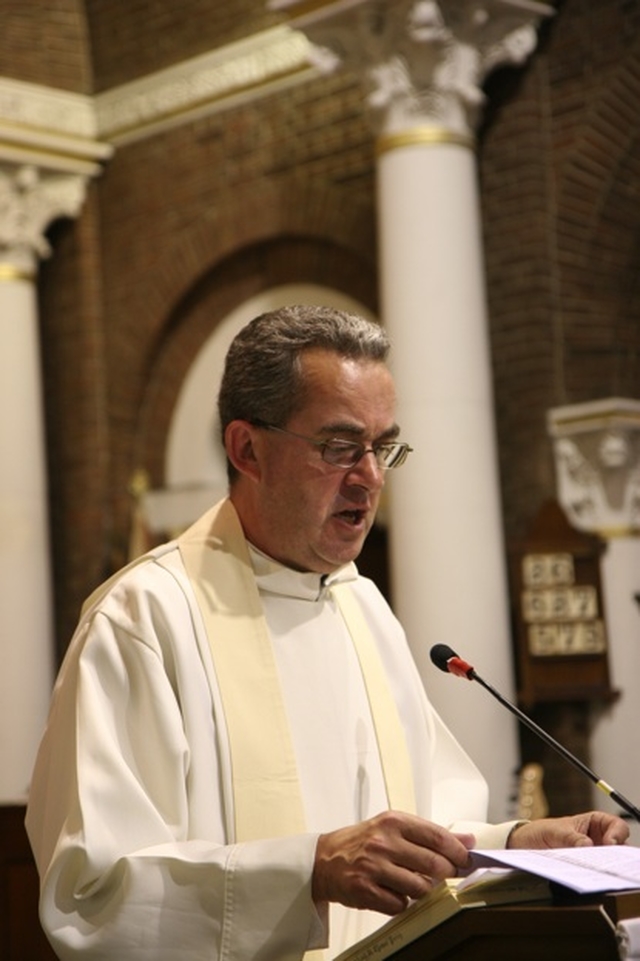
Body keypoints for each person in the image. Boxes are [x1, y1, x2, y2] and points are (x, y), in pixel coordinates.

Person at [26, 305, 628, 961]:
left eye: (383, 446)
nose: (370, 477)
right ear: (246, 449)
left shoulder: (362, 608)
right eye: (340, 447)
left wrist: (515, 843)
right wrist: (309, 867)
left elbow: (416, 834)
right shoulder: (145, 617)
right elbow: (94, 895)